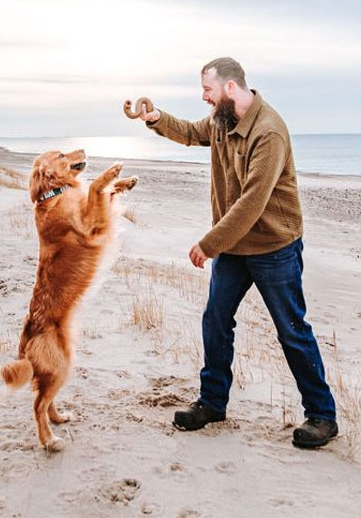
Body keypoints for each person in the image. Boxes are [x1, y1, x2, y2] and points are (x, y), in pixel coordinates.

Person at [135, 57, 338, 449]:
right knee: (215, 320)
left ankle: (322, 416)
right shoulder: (221, 121)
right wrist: (156, 116)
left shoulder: (269, 132)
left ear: (230, 88)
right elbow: (191, 132)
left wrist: (208, 244)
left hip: (273, 247)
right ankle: (212, 403)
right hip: (235, 247)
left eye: (208, 91)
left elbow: (251, 204)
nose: (205, 99)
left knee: (292, 331)